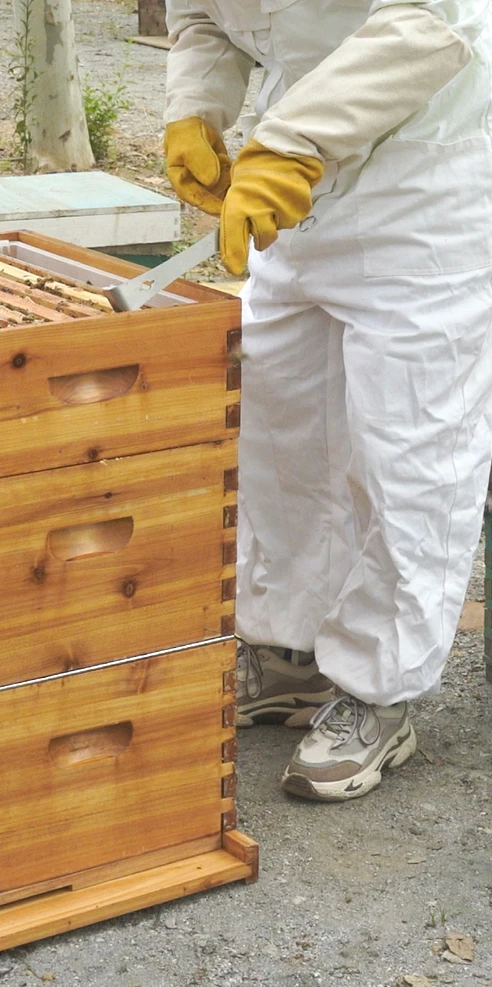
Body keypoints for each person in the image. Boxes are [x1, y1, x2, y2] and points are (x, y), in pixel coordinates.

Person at [163, 0, 492, 801]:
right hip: (298, 191)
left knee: (409, 452)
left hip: (423, 188)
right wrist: (194, 107)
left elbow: (434, 20)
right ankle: (291, 656)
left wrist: (293, 140)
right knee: (278, 431)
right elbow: (204, 15)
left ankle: (380, 693)